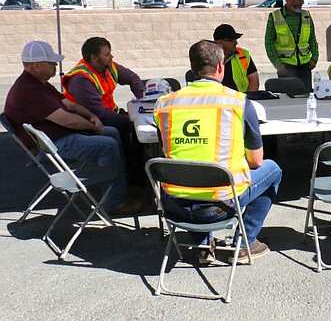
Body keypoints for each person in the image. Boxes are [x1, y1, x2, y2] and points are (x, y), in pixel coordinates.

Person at [154, 40, 282, 265]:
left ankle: (204, 245)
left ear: (192, 68)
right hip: (219, 207)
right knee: (273, 169)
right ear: (221, 67)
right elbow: (256, 161)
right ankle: (244, 244)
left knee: (189, 171)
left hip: (175, 204)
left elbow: (169, 152)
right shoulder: (238, 102)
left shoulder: (163, 104)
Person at [4, 41, 142, 215]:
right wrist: (92, 125)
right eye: (51, 63)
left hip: (59, 137)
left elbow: (70, 105)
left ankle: (118, 187)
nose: (56, 65)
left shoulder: (40, 84)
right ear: (36, 65)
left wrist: (91, 117)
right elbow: (67, 121)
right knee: (107, 144)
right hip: (52, 146)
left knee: (112, 132)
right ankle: (113, 202)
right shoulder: (29, 90)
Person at [61, 37, 144, 178]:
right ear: (93, 58)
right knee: (133, 127)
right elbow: (99, 113)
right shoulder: (80, 78)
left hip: (109, 112)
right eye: (106, 54)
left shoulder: (108, 66)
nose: (111, 57)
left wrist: (142, 100)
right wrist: (131, 119)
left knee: (137, 124)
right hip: (91, 120)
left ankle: (136, 167)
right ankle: (133, 172)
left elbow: (133, 78)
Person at [264, 0, 319, 91]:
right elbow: (268, 43)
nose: (302, 2)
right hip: (286, 68)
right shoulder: (275, 17)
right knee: (288, 98)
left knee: (305, 95)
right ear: (290, 1)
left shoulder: (306, 16)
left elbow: (312, 39)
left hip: (305, 65)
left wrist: (314, 58)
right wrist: (277, 64)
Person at [206, 23, 259, 92]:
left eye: (236, 40)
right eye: (232, 40)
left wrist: (248, 99)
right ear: (220, 42)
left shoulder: (243, 55)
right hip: (217, 100)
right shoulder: (207, 58)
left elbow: (254, 80)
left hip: (240, 100)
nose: (236, 43)